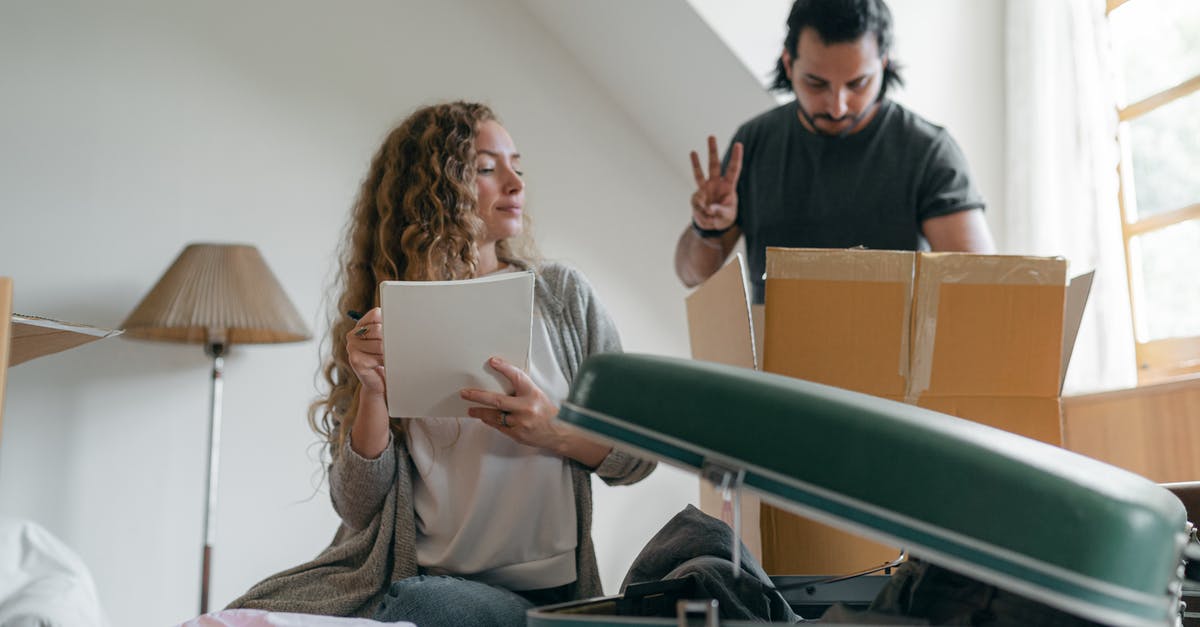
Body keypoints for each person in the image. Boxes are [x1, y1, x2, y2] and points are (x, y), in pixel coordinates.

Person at [228, 101, 655, 626]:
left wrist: (553, 431)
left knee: (423, 607)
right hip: (415, 577)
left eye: (516, 165)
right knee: (239, 618)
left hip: (542, 598)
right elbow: (358, 508)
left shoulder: (563, 299)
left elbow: (640, 455)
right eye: (487, 168)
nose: (516, 183)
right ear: (434, 189)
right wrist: (373, 392)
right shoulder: (390, 313)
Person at [675, 0, 996, 303]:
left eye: (857, 84)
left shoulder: (928, 152)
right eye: (817, 83)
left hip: (893, 358)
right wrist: (708, 227)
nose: (838, 106)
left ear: (883, 64)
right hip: (776, 358)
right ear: (789, 64)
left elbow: (979, 288)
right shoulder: (755, 141)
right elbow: (691, 274)